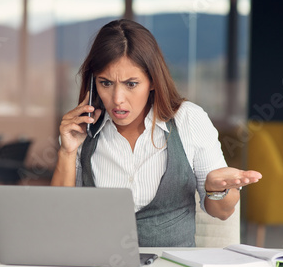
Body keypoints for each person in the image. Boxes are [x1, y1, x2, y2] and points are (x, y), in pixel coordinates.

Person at [51, 19, 262, 247]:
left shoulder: (189, 120)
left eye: (131, 84)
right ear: (93, 84)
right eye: (106, 83)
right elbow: (59, 220)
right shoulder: (82, 130)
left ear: (152, 81)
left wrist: (215, 189)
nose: (117, 99)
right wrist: (67, 151)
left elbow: (221, 213)